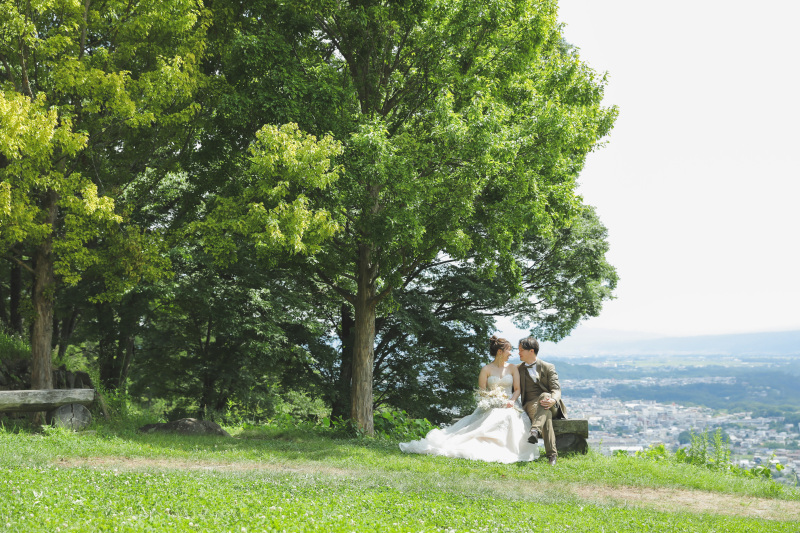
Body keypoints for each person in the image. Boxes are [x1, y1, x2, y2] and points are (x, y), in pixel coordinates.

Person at [398, 336, 539, 463]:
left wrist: (512, 401)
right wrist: (493, 399)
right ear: (500, 352)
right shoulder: (486, 369)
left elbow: (517, 389)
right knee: (495, 415)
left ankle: (508, 449)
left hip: (510, 403)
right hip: (492, 404)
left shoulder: (513, 368)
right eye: (509, 350)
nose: (511, 353)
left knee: (508, 415)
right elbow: (482, 392)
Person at [517, 336, 567, 466]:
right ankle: (552, 455)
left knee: (545, 395)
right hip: (530, 406)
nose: (519, 353)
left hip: (551, 404)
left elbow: (556, 389)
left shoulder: (548, 367)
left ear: (531, 351)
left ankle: (534, 430)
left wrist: (553, 400)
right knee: (547, 416)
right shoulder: (518, 369)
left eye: (521, 350)